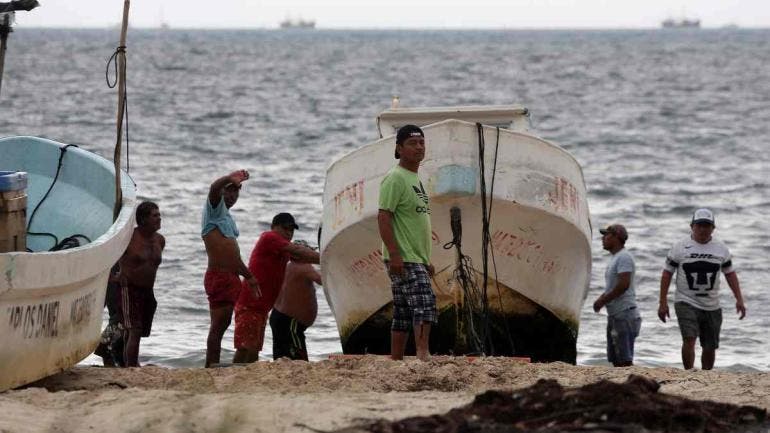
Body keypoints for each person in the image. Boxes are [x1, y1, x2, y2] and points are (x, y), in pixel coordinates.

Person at [658, 208, 747, 370]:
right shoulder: (680, 247)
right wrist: (662, 302)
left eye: (707, 225)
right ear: (692, 226)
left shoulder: (721, 249)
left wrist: (739, 299)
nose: (702, 229)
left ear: (713, 228)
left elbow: (730, 274)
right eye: (699, 225)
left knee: (710, 345)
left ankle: (706, 374)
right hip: (685, 300)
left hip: (712, 304)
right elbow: (666, 274)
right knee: (689, 338)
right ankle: (689, 371)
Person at [377, 124, 436, 361]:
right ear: (399, 149)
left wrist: (425, 261)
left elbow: (414, 221)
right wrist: (395, 253)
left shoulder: (415, 178)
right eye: (412, 143)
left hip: (415, 257)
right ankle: (423, 353)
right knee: (425, 302)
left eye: (421, 142)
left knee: (402, 309)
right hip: (403, 256)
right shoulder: (395, 178)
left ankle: (396, 358)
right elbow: (384, 216)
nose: (419, 147)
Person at [233, 213, 319, 364]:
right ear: (274, 227)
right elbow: (298, 252)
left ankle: (247, 379)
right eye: (285, 228)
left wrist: (327, 257)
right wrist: (325, 257)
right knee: (245, 347)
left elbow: (302, 256)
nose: (289, 233)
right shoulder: (269, 237)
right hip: (250, 304)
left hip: (262, 308)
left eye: (292, 230)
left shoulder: (283, 249)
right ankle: (231, 376)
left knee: (254, 349)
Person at [202, 170, 260, 368]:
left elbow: (232, 255)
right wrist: (229, 178)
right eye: (229, 191)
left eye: (236, 192)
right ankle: (212, 365)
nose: (233, 196)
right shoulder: (214, 210)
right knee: (218, 326)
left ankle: (213, 364)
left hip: (230, 276)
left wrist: (247, 275)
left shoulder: (226, 216)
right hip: (220, 275)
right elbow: (213, 188)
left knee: (221, 325)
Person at [119, 201, 165, 367]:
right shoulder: (129, 237)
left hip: (148, 291)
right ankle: (131, 367)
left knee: (137, 330)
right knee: (135, 329)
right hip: (129, 288)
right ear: (144, 219)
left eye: (159, 215)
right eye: (155, 216)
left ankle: (125, 361)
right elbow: (113, 256)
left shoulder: (160, 240)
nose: (159, 219)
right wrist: (116, 276)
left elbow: (152, 265)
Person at [592, 224, 641, 367]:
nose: (603, 238)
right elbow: (614, 286)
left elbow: (623, 285)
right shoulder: (615, 258)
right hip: (616, 314)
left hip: (624, 313)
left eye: (606, 235)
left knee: (624, 359)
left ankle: (629, 388)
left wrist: (602, 301)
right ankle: (620, 387)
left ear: (616, 238)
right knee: (615, 358)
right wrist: (601, 299)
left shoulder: (624, 257)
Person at [270, 240, 323, 361]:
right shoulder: (303, 267)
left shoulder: (288, 266)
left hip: (279, 317)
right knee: (298, 357)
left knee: (282, 356)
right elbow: (323, 280)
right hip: (290, 322)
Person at [93, 263, 125, 367]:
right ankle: (104, 346)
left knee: (119, 316)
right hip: (115, 275)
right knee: (122, 316)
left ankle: (113, 353)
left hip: (112, 273)